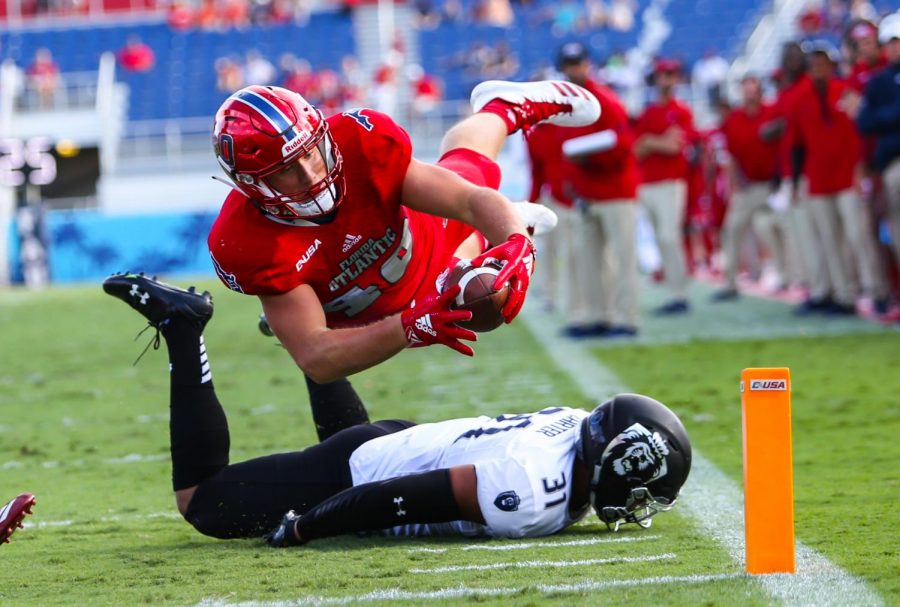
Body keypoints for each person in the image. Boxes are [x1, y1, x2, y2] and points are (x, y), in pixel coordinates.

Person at [102, 273, 692, 543]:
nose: (644, 499)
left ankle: (312, 332)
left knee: (355, 439)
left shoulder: (573, 427)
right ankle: (184, 328)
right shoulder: (538, 492)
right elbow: (402, 499)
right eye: (647, 484)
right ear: (622, 459)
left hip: (400, 443)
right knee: (203, 503)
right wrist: (309, 525)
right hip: (374, 466)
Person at [207, 80, 599, 384]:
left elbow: (469, 200)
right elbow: (317, 358)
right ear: (250, 184)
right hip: (363, 303)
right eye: (286, 170)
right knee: (340, 325)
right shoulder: (247, 241)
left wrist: (518, 242)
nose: (311, 174)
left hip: (418, 234)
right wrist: (411, 326)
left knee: (472, 173)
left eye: (310, 153)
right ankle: (484, 238)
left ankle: (504, 108)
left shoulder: (360, 143)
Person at [794, 41, 889, 315]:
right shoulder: (803, 100)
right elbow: (798, 144)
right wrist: (800, 180)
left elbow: (861, 133)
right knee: (829, 240)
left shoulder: (846, 93)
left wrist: (861, 169)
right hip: (819, 178)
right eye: (814, 66)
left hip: (848, 175)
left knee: (859, 236)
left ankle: (877, 290)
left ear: (832, 66)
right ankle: (844, 294)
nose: (818, 70)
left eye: (823, 64)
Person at [555, 42, 640, 338]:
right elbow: (561, 152)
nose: (574, 68)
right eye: (569, 63)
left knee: (623, 257)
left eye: (578, 62)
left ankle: (625, 319)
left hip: (615, 191)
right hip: (585, 193)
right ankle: (595, 316)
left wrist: (588, 158)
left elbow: (624, 145)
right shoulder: (565, 105)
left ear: (587, 64)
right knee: (587, 259)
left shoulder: (605, 100)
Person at [713, 75, 785, 300]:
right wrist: (735, 185)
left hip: (773, 185)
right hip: (748, 186)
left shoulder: (772, 112)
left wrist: (781, 179)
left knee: (778, 230)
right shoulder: (734, 119)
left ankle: (788, 276)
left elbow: (783, 146)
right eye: (745, 89)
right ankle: (730, 283)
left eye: (753, 88)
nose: (749, 93)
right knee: (732, 228)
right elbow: (732, 156)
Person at [634, 58, 695, 315]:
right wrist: (656, 141)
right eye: (663, 74)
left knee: (669, 236)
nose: (667, 79)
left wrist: (650, 141)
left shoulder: (682, 110)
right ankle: (674, 288)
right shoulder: (648, 113)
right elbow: (636, 150)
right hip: (648, 183)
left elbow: (675, 146)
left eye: (671, 74)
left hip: (671, 182)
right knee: (661, 237)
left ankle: (679, 292)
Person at [856, 11, 900, 322]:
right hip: (890, 163)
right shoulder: (879, 81)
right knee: (894, 234)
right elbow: (864, 121)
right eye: (892, 43)